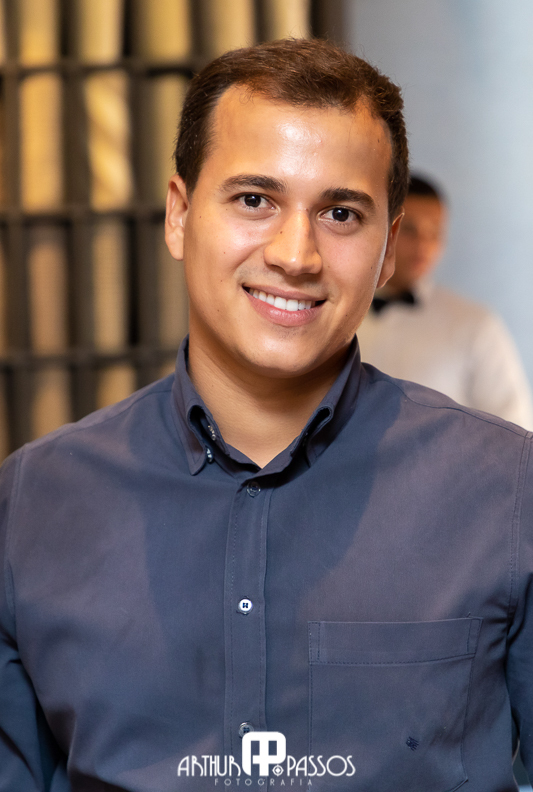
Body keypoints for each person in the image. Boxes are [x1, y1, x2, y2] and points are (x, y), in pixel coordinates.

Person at [1, 38, 533, 792]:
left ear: (387, 249)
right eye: (255, 200)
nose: (295, 254)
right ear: (179, 215)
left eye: (341, 213)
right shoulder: (32, 503)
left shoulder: (507, 492)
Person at [357, 175, 533, 428]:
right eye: (410, 229)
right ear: (385, 227)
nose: (423, 245)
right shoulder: (337, 314)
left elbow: (514, 427)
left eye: (435, 232)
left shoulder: (476, 324)